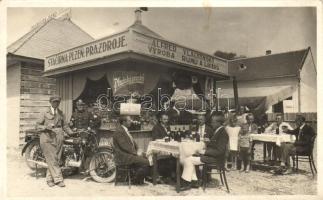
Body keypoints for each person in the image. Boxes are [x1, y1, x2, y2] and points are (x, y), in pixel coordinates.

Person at [180, 111, 229, 191]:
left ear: (219, 123)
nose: (211, 124)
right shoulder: (219, 131)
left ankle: (187, 182)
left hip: (215, 159)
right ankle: (194, 181)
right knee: (190, 157)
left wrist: (204, 152)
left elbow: (220, 151)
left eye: (213, 122)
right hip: (212, 156)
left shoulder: (223, 133)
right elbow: (215, 145)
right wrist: (208, 143)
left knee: (188, 160)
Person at [35, 96, 73, 187]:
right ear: (50, 102)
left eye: (58, 102)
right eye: (54, 102)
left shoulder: (61, 113)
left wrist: (71, 133)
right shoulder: (44, 113)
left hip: (59, 137)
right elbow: (37, 126)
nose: (56, 103)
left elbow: (65, 126)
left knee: (56, 159)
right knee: (52, 158)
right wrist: (45, 127)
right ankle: (58, 179)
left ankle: (49, 179)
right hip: (47, 137)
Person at [113, 115, 150, 184]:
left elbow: (132, 143)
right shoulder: (119, 131)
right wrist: (136, 153)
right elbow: (124, 146)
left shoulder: (124, 130)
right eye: (129, 120)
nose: (131, 122)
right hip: (123, 156)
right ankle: (135, 180)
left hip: (128, 154)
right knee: (146, 162)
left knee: (147, 157)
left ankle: (139, 178)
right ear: (124, 122)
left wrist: (139, 149)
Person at [151, 112, 176, 181]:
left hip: (168, 147)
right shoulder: (156, 127)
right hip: (159, 148)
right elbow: (155, 138)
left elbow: (170, 136)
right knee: (174, 155)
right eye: (164, 119)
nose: (166, 121)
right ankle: (170, 174)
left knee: (177, 154)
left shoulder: (168, 127)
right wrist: (164, 139)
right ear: (160, 119)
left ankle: (173, 174)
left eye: (167, 119)